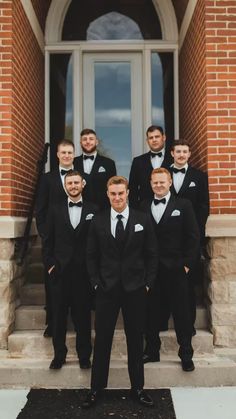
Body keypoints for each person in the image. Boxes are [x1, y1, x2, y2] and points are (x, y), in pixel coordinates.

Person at [82, 176, 158, 409]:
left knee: (135, 340)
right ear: (107, 194)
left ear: (127, 194)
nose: (117, 197)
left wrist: (147, 283)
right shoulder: (98, 221)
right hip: (106, 289)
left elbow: (152, 254)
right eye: (113, 194)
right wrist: (95, 282)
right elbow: (91, 255)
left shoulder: (143, 219)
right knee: (102, 340)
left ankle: (138, 388)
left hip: (135, 289)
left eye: (121, 193)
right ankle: (95, 389)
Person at [140, 168, 200, 372]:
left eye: (162, 182)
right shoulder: (142, 206)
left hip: (175, 269)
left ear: (170, 182)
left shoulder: (183, 205)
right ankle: (152, 350)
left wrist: (186, 265)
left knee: (181, 314)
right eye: (155, 182)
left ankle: (185, 354)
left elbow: (193, 237)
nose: (158, 185)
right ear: (150, 184)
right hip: (151, 270)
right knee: (150, 312)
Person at [42, 170, 97, 370]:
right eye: (69, 183)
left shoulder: (94, 209)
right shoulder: (54, 210)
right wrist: (50, 266)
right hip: (60, 272)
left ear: (83, 184)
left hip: (84, 274)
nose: (73, 186)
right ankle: (59, 355)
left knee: (83, 317)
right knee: (58, 317)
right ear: (65, 186)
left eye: (76, 182)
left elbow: (98, 242)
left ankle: (84, 355)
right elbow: (47, 241)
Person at [35, 139, 75, 338]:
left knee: (77, 283)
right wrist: (45, 233)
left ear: (73, 155)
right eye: (64, 152)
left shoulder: (80, 178)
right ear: (57, 155)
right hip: (54, 241)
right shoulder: (47, 179)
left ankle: (76, 319)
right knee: (52, 283)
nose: (67, 155)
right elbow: (40, 209)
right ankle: (52, 322)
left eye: (70, 152)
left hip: (76, 240)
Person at [169, 139, 209, 334]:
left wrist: (196, 231)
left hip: (188, 240)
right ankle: (164, 319)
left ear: (189, 154)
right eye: (178, 151)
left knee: (188, 286)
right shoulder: (163, 175)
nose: (182, 154)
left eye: (185, 151)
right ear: (172, 154)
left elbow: (203, 206)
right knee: (165, 284)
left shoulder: (199, 177)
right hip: (167, 240)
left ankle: (188, 325)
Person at [128, 125, 172, 208]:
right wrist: (135, 211)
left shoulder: (173, 159)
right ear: (147, 141)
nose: (154, 140)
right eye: (151, 138)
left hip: (170, 208)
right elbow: (132, 189)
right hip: (144, 210)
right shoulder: (138, 161)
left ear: (164, 137)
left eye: (157, 137)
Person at [74, 128, 117, 209]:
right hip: (79, 209)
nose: (88, 141)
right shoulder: (73, 163)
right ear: (80, 143)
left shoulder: (109, 163)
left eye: (91, 139)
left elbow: (113, 188)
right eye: (84, 139)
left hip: (102, 210)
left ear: (96, 142)